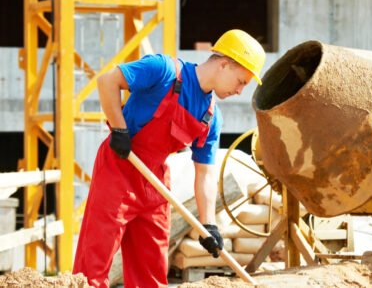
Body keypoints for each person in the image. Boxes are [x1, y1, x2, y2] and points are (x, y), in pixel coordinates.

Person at [73, 29, 266, 288]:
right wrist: (119, 129)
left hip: (154, 181)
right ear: (224, 64)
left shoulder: (211, 117)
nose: (240, 91)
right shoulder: (163, 70)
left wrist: (209, 226)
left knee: (151, 271)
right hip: (120, 166)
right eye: (241, 81)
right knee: (94, 262)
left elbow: (205, 174)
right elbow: (107, 81)